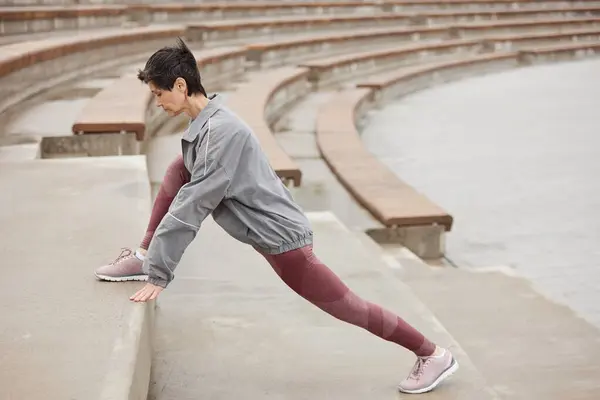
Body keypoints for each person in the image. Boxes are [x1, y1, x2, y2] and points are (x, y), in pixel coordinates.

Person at [94, 38, 458, 394]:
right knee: (178, 168)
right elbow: (186, 179)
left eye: (159, 94)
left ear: (180, 85)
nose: (157, 103)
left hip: (285, 243)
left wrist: (161, 271)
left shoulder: (221, 132)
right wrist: (151, 256)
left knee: (349, 307)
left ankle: (432, 354)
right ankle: (141, 255)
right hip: (276, 234)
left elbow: (193, 204)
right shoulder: (209, 122)